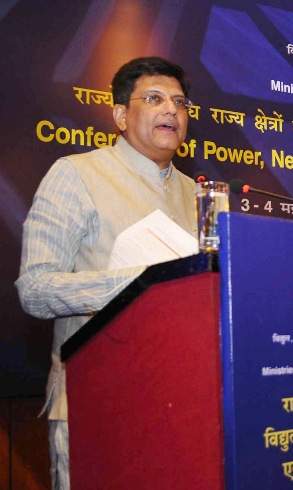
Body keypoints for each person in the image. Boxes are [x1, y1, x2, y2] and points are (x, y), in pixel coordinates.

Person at [16, 57, 198, 490]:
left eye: (179, 102)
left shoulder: (198, 194)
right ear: (120, 115)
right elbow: (35, 289)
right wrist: (143, 283)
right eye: (153, 99)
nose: (171, 110)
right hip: (96, 403)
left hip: (183, 405)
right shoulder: (76, 175)